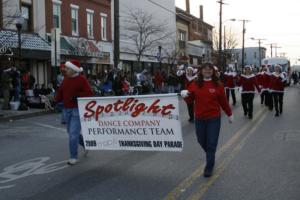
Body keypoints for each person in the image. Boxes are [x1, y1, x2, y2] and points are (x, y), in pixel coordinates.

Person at [180, 63, 233, 177]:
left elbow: (223, 101)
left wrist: (229, 114)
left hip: (213, 118)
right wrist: (185, 95)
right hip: (200, 118)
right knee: (201, 140)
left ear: (213, 72)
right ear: (201, 71)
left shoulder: (218, 84)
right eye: (205, 69)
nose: (207, 71)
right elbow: (190, 100)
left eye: (210, 70)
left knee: (211, 143)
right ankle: (211, 154)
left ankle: (209, 166)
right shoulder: (195, 84)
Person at [55, 60, 93, 165]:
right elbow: (61, 92)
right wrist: (56, 100)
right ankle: (85, 143)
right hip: (66, 110)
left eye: (67, 68)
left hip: (77, 110)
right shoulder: (66, 80)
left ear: (72, 69)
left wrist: (78, 95)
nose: (65, 70)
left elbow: (89, 93)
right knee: (71, 133)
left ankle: (73, 157)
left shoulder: (82, 80)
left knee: (73, 134)